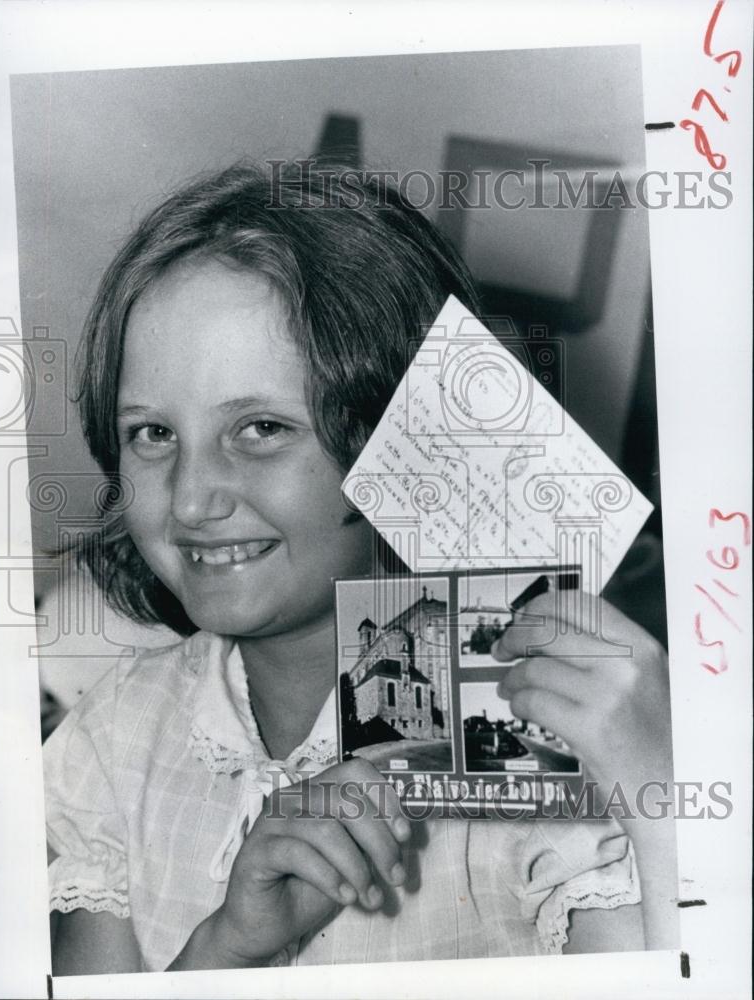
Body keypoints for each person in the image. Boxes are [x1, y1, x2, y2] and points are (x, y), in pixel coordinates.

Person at [44, 160, 677, 975]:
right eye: (152, 434)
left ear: (405, 434)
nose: (193, 499)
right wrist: (227, 949)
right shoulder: (115, 739)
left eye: (263, 427)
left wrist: (658, 793)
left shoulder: (550, 744)